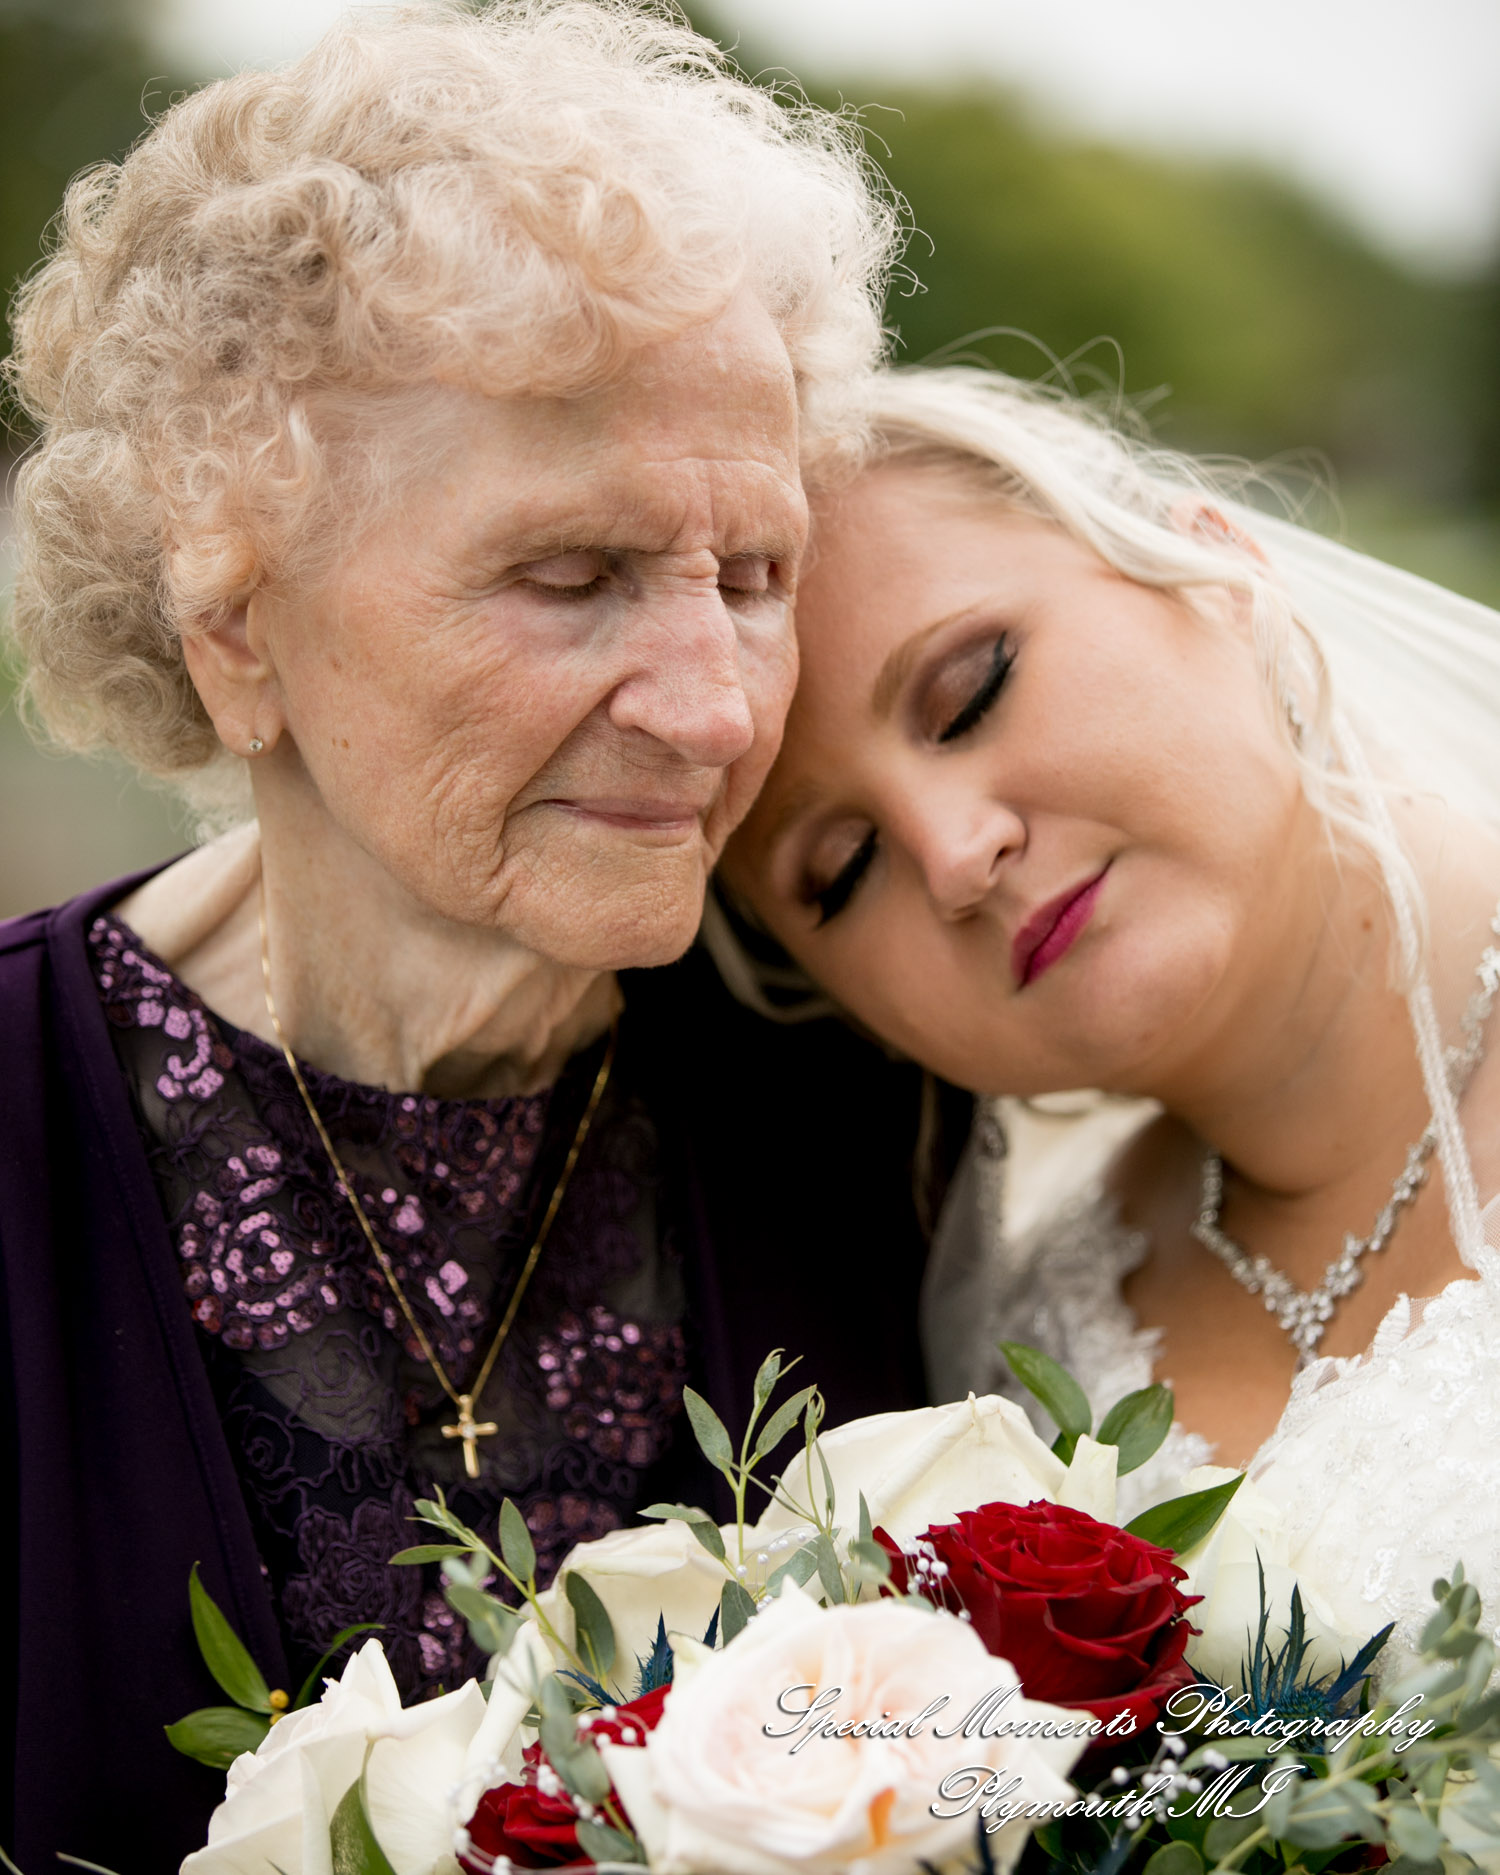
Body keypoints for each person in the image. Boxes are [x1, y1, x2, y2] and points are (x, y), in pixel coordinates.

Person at [0, 10, 970, 1864]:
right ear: (234, 622)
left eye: (754, 576)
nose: (710, 710)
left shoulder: (875, 1094)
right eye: (569, 576)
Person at [721, 362, 1500, 1686]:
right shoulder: (1008, 1350)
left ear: (1215, 563)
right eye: (840, 871)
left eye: (971, 691)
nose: (957, 853)